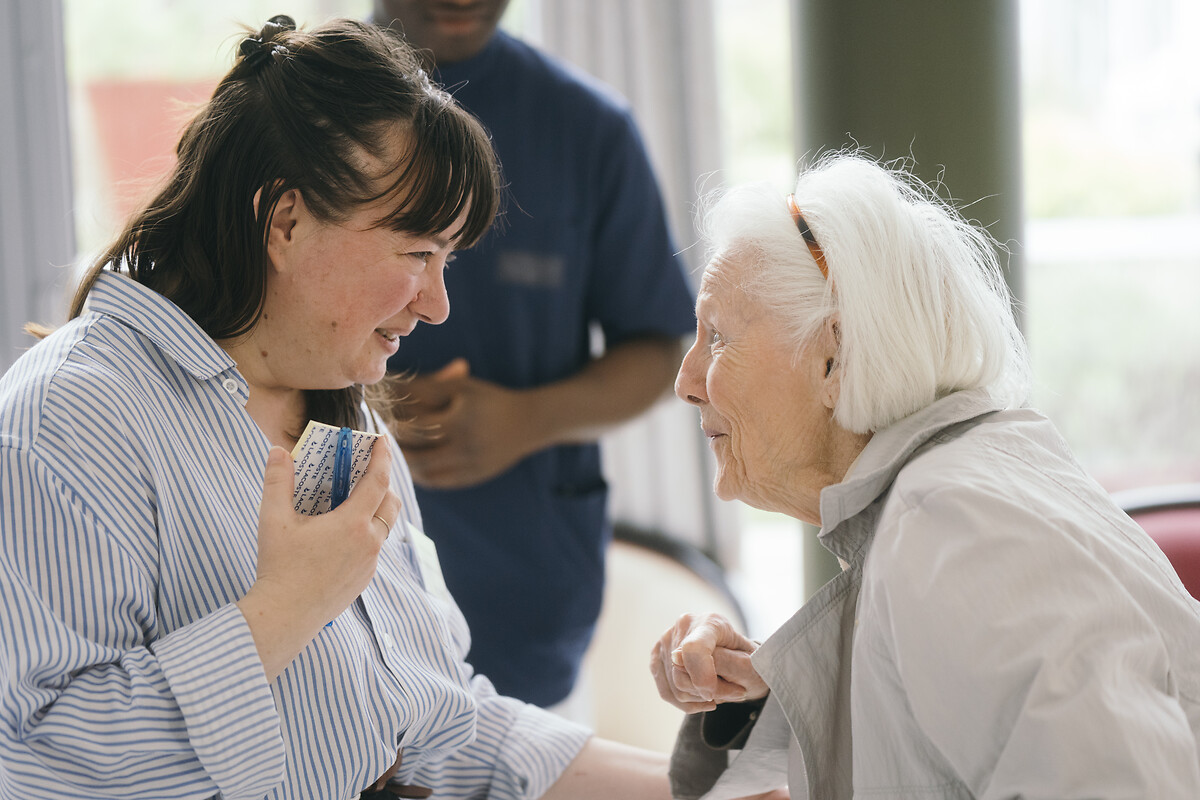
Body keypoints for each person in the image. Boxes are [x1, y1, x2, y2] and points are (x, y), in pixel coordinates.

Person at [0, 16, 673, 800]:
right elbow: (34, 765)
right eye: (417, 253)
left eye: (447, 260)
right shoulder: (59, 426)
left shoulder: (342, 416)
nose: (438, 305)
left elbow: (437, 727)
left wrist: (701, 785)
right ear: (284, 222)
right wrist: (286, 607)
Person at [650, 152, 1200, 799]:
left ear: (835, 355)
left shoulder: (952, 521)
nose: (686, 382)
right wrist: (764, 685)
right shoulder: (964, 481)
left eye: (717, 337)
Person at [372, 0, 697, 711]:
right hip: (342, 591)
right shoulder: (298, 115)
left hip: (524, 590)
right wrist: (363, 404)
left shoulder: (587, 127)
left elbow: (657, 347)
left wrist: (527, 419)